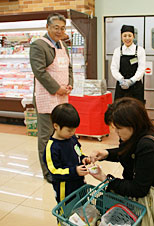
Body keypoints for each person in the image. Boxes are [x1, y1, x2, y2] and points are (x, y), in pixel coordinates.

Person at [89, 97, 154, 198]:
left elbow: (138, 189)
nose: (116, 132)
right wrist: (106, 153)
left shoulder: (148, 146)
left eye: (118, 128)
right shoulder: (138, 135)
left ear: (133, 124)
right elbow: (128, 153)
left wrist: (105, 179)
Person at [30, 13, 73, 183]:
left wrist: (69, 84)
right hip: (46, 97)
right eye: (56, 27)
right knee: (46, 135)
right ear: (47, 27)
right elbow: (39, 71)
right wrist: (57, 88)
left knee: (60, 133)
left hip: (62, 97)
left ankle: (59, 163)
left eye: (62, 28)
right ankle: (48, 172)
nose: (59, 31)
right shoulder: (38, 45)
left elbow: (69, 67)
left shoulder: (63, 45)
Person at [43, 103, 89, 204]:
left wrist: (83, 158)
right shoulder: (52, 147)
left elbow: (78, 151)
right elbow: (54, 171)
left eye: (74, 129)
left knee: (81, 205)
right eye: (69, 130)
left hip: (79, 182)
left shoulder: (71, 138)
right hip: (64, 188)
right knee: (66, 210)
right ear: (56, 126)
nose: (72, 133)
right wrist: (74, 171)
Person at [111, 25, 146, 103]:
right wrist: (121, 80)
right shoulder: (117, 51)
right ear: (121, 37)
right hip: (121, 86)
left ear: (133, 36)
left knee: (136, 110)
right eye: (125, 36)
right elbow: (114, 68)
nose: (127, 38)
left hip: (136, 86)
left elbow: (141, 68)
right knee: (120, 110)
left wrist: (131, 81)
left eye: (129, 36)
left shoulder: (140, 50)